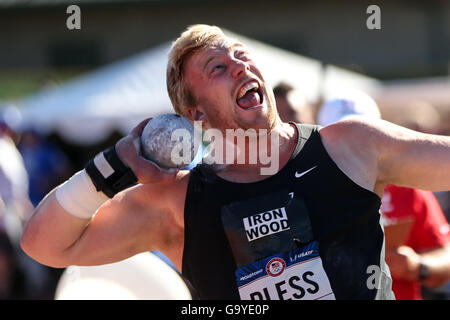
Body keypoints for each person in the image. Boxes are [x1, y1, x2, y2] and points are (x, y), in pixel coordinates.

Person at [20, 25, 450, 300]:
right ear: (196, 114)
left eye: (242, 56)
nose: (240, 66)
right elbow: (44, 245)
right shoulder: (175, 204)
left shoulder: (351, 144)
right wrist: (114, 164)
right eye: (217, 68)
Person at [317, 93, 450, 300]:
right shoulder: (305, 191)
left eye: (363, 136)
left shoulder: (408, 187)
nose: (353, 147)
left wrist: (416, 266)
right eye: (341, 137)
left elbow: (445, 255)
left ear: (380, 135)